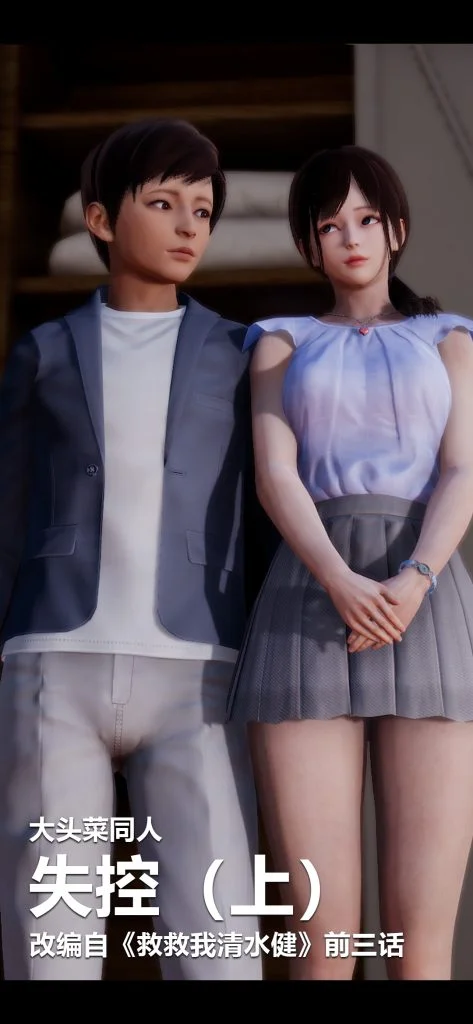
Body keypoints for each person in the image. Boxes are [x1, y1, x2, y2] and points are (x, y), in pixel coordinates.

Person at [0, 117, 278, 980]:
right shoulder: (43, 352)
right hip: (54, 660)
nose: (190, 225)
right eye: (163, 203)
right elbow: (7, 511)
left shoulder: (242, 355)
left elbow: (265, 513)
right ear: (100, 219)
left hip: (199, 669)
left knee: (218, 941)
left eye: (203, 209)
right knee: (52, 941)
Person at [226, 144, 473, 981]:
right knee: (321, 939)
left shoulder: (448, 337)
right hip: (307, 595)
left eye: (366, 219)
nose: (351, 238)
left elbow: (463, 471)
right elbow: (274, 474)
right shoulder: (279, 341)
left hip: (426, 600)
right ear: (308, 243)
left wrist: (415, 579)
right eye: (329, 225)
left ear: (395, 228)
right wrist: (336, 576)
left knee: (419, 940)